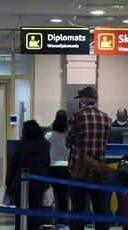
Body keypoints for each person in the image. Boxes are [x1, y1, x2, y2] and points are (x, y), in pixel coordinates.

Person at [65, 86, 112, 230]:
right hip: (99, 169)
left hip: (79, 168)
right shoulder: (107, 118)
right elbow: (105, 140)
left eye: (80, 98)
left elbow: (67, 142)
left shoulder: (76, 117)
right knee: (100, 209)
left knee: (78, 209)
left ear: (85, 99)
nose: (80, 101)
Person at [6, 120, 51, 230]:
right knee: (36, 213)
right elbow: (47, 162)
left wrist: (8, 183)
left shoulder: (21, 144)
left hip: (20, 182)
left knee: (20, 213)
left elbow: (13, 165)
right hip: (38, 183)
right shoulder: (45, 145)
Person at [45, 110, 70, 221]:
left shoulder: (49, 135)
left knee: (51, 194)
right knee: (62, 195)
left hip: (52, 167)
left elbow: (45, 152)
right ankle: (62, 219)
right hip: (66, 168)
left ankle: (50, 219)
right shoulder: (69, 135)